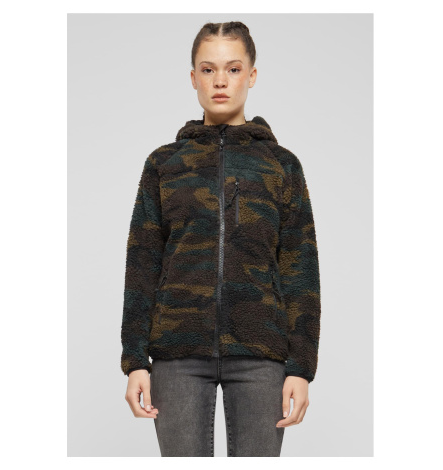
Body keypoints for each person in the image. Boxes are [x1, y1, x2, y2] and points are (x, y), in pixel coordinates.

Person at [120, 21, 321, 457]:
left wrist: (301, 367)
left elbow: (300, 270)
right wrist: (134, 360)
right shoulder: (164, 164)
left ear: (252, 75)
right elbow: (142, 263)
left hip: (261, 354)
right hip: (177, 352)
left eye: (233, 69)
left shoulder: (281, 165)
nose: (220, 81)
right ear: (193, 77)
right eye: (208, 70)